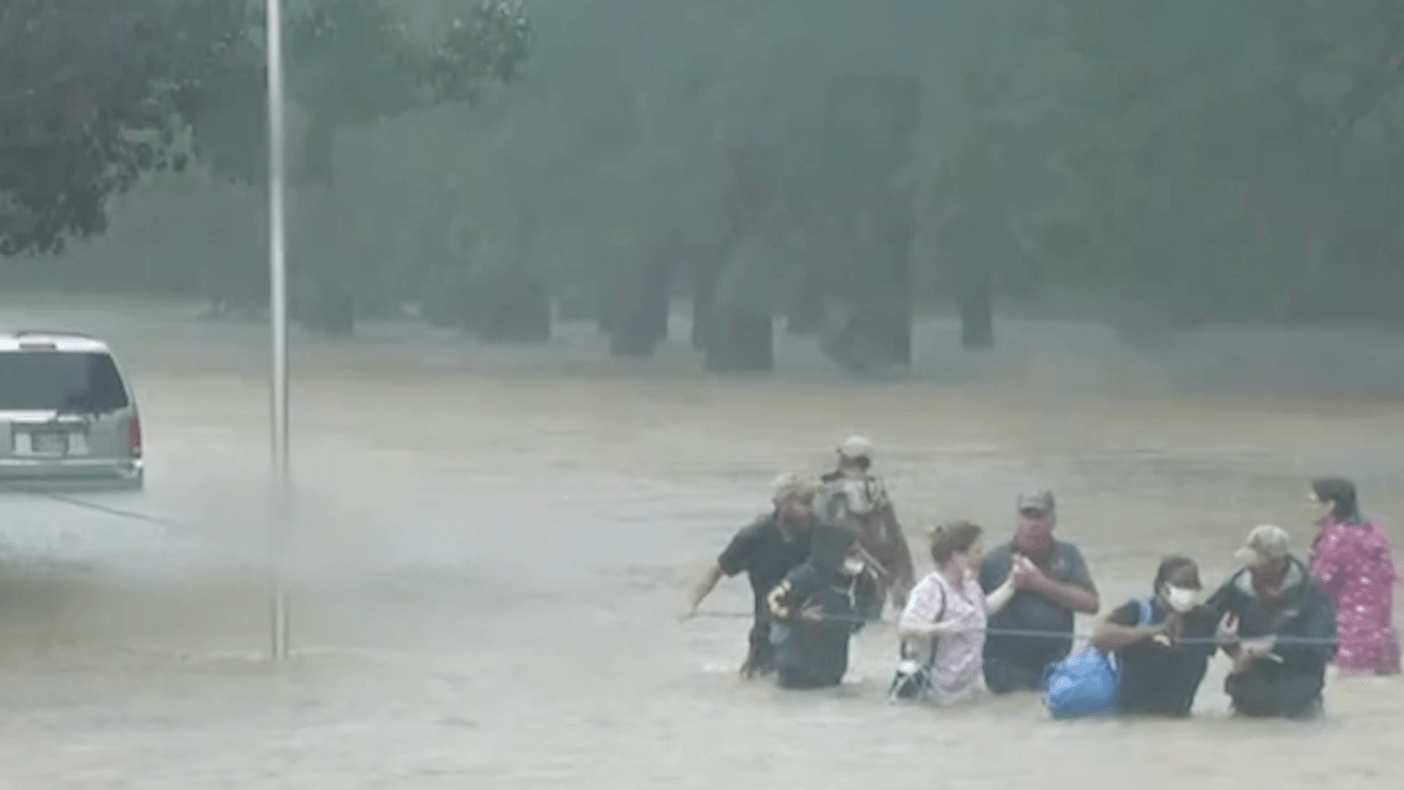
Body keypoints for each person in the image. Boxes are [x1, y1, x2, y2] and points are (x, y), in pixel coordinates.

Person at [683, 473, 818, 679]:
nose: (812, 509)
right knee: (759, 683)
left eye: (813, 502)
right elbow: (716, 571)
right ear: (784, 504)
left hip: (817, 626)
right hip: (767, 627)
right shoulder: (754, 537)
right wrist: (691, 603)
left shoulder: (822, 533)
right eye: (806, 502)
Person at [1207, 524, 1339, 719]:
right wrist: (1226, 642)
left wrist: (1274, 646)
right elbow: (1201, 624)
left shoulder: (1311, 594)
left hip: (1300, 704)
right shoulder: (1235, 588)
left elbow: (1324, 648)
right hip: (1246, 700)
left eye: (1257, 565)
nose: (1250, 570)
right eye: (1248, 564)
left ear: (1278, 564)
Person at [978, 489, 1100, 694]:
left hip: (1054, 665)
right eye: (1027, 516)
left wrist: (1040, 584)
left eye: (1039, 517)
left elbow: (1091, 604)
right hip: (1003, 668)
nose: (1032, 525)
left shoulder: (1068, 555)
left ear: (1052, 521)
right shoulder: (994, 560)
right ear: (1017, 520)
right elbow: (968, 611)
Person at [895, 521, 1017, 703]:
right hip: (934, 695)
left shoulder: (972, 587)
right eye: (976, 552)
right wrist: (940, 629)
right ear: (956, 556)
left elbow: (985, 610)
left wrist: (1013, 583)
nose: (981, 558)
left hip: (969, 692)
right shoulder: (931, 588)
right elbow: (904, 629)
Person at [1089, 555, 1218, 716]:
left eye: (1192, 585)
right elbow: (1099, 637)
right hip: (1133, 719)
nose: (1187, 591)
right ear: (1160, 586)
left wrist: (1231, 642)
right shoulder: (1139, 611)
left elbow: (1234, 646)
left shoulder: (1205, 619)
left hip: (1180, 719)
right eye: (1181, 585)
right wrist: (1156, 630)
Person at [765, 522, 882, 690]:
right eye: (851, 552)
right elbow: (771, 602)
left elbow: (866, 616)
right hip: (797, 667)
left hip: (831, 668)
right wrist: (797, 616)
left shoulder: (860, 581)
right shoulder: (806, 576)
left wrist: (874, 591)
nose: (857, 557)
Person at [1307, 477, 1400, 676]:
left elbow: (1315, 589)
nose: (1307, 508)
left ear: (1330, 505)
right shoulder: (1375, 533)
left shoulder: (1336, 539)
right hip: (1382, 643)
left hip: (1344, 643)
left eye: (1313, 502)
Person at [817, 435, 916, 614]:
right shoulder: (877, 493)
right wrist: (903, 580)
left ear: (843, 458)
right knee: (870, 620)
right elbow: (896, 537)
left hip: (839, 573)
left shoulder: (826, 490)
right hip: (877, 574)